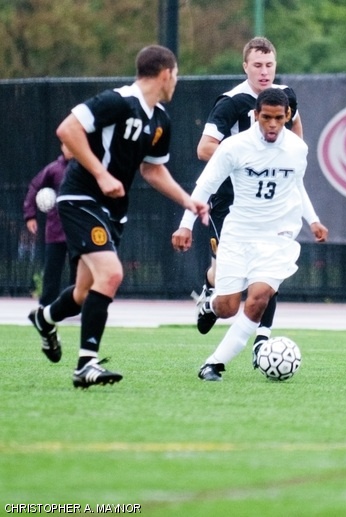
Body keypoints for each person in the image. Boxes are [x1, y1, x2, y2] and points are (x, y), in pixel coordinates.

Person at [27, 45, 209, 389]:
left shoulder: (160, 120)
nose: (177, 83)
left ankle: (44, 317)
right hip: (81, 198)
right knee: (111, 275)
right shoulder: (119, 101)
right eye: (177, 76)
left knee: (83, 292)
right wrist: (100, 174)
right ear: (166, 73)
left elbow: (153, 171)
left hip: (112, 212)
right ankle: (86, 364)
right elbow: (67, 130)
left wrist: (188, 201)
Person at [172, 37, 303, 355]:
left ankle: (262, 342)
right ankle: (210, 287)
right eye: (257, 65)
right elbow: (204, 148)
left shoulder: (284, 98)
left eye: (269, 65)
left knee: (268, 269)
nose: (264, 72)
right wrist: (246, 161)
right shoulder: (232, 102)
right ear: (245, 66)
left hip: (269, 203)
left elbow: (297, 137)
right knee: (227, 274)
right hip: (229, 203)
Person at [189, 88, 328, 381]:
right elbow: (205, 186)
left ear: (288, 116)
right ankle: (209, 305)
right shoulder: (234, 147)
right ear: (255, 116)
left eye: (279, 118)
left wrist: (312, 220)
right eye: (266, 117)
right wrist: (184, 224)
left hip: (277, 237)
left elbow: (296, 185)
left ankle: (213, 364)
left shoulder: (297, 149)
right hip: (239, 234)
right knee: (227, 308)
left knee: (259, 298)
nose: (273, 124)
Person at [23, 143, 77, 309]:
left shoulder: (84, 169)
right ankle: (46, 306)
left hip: (78, 229)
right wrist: (30, 215)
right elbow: (34, 187)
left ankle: (75, 306)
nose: (69, 148)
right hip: (55, 230)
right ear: (61, 147)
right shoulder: (53, 169)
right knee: (52, 270)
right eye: (66, 145)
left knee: (79, 271)